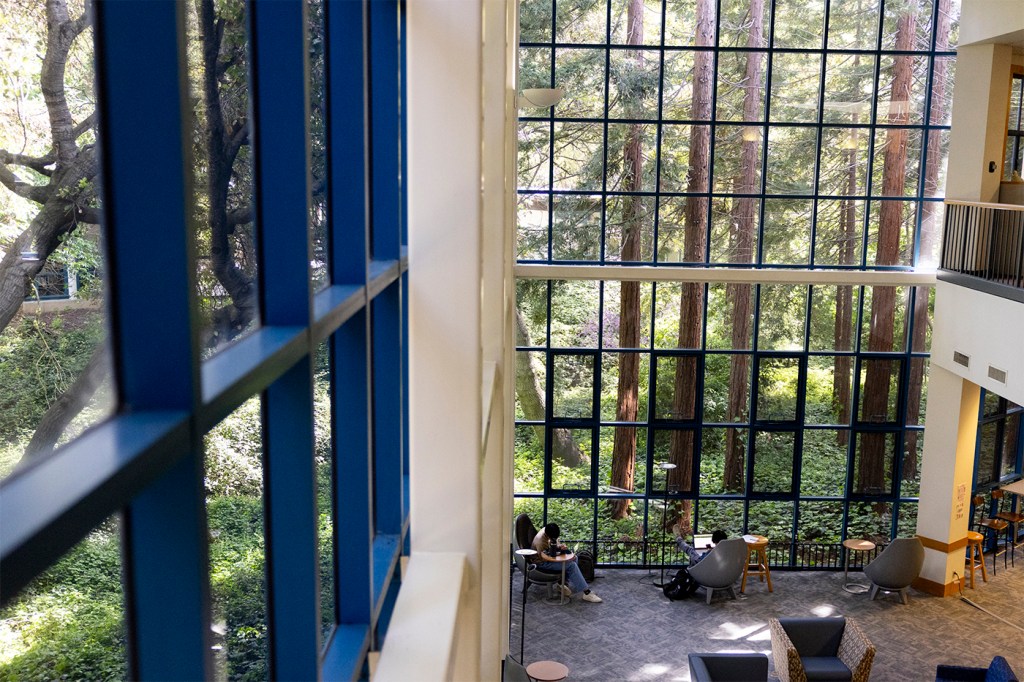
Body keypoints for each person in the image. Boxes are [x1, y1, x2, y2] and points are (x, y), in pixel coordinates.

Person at [531, 523, 602, 603]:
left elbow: (553, 542)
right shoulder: (540, 542)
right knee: (571, 565)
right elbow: (544, 557)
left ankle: (562, 584)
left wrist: (559, 546)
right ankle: (586, 593)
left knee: (575, 558)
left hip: (547, 557)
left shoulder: (547, 530)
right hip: (541, 563)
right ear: (548, 535)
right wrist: (560, 558)